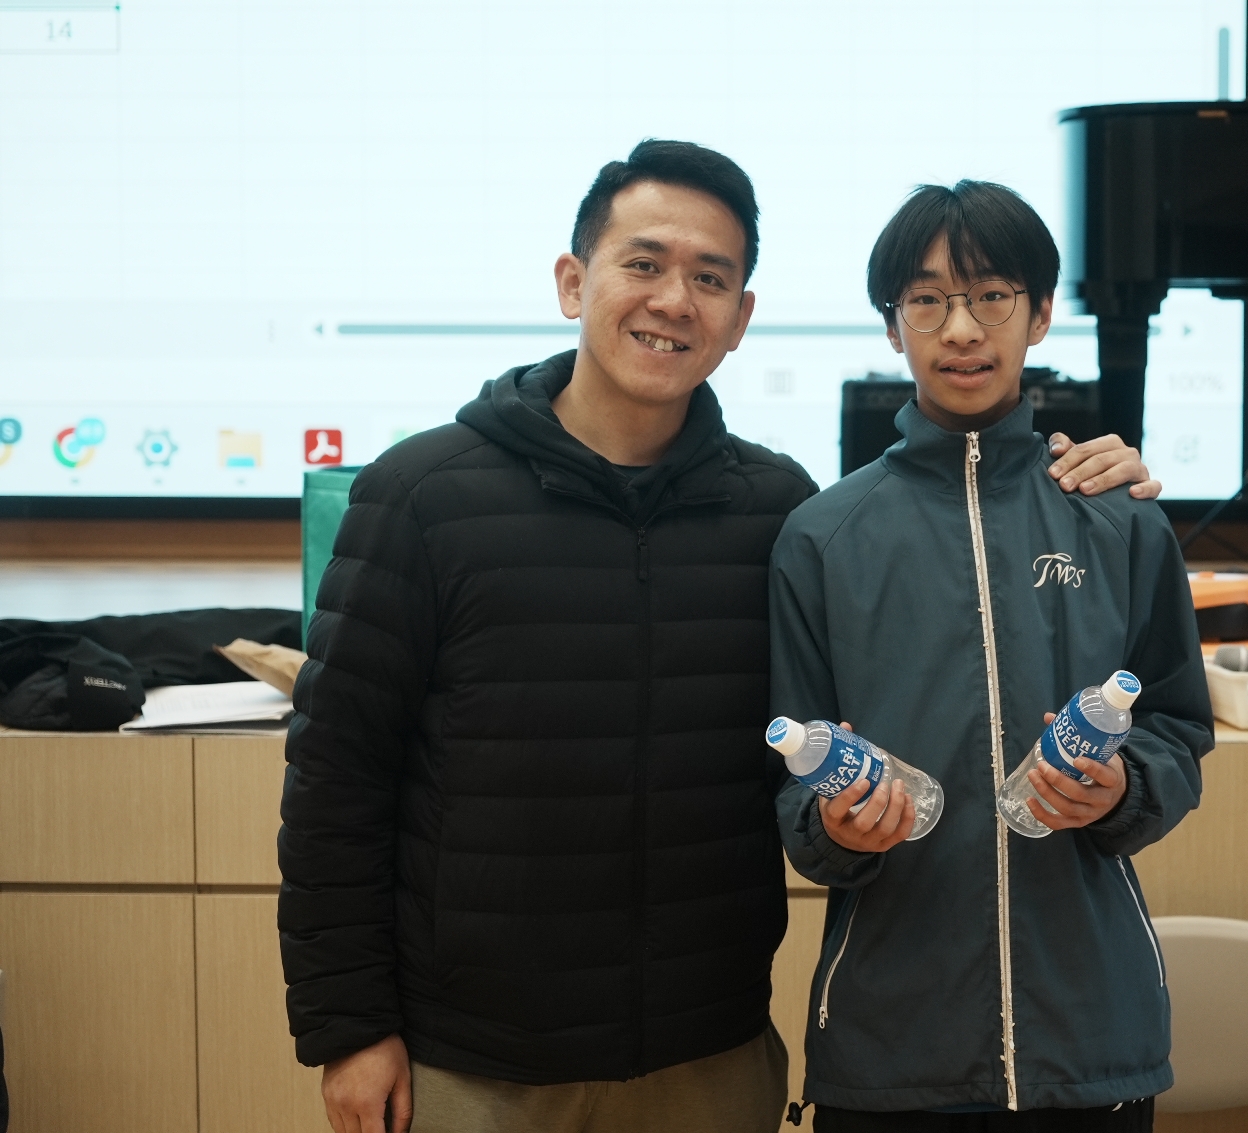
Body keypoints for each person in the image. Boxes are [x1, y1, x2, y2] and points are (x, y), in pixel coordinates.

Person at [279, 141, 1163, 1133]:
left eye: (709, 278)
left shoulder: (777, 511)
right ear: (573, 282)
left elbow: (801, 764)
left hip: (706, 1054)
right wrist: (349, 1025)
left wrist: (1092, 475)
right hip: (476, 1062)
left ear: (740, 317)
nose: (673, 300)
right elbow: (337, 775)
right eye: (643, 263)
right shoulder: (423, 495)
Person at [770, 181, 1214, 1131]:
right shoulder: (822, 536)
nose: (962, 328)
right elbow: (788, 775)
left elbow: (1178, 727)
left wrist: (1123, 789)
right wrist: (835, 826)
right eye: (927, 300)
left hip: (1090, 1040)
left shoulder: (1120, 519)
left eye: (992, 295)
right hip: (891, 1047)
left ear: (1041, 313)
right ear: (892, 326)